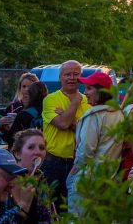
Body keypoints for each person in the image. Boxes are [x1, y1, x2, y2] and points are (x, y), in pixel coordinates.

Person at [66, 72, 123, 216]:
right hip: (108, 180)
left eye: (89, 88)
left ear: (101, 91)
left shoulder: (94, 115)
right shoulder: (119, 114)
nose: (85, 93)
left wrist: (73, 172)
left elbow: (85, 151)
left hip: (87, 181)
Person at [40, 61, 89, 206]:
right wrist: (74, 103)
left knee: (73, 207)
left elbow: (87, 131)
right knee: (50, 206)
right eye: (68, 74)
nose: (72, 78)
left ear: (81, 77)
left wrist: (67, 117)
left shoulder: (89, 100)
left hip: (78, 163)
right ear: (60, 77)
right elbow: (62, 124)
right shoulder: (50, 99)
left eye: (76, 74)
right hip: (53, 161)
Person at [0, 130, 54, 224]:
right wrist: (23, 205)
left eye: (42, 148)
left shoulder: (39, 177)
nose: (38, 152)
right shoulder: (4, 180)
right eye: (31, 147)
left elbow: (47, 218)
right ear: (17, 154)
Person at [3, 82, 47, 148]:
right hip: (46, 150)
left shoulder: (24, 114)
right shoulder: (49, 112)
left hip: (27, 152)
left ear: (31, 95)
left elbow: (10, 138)